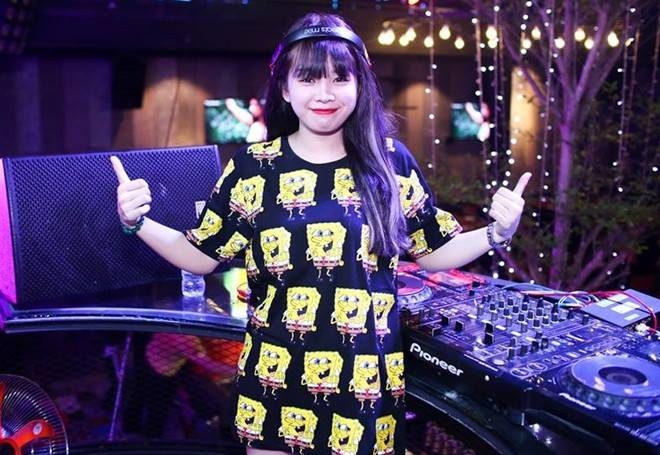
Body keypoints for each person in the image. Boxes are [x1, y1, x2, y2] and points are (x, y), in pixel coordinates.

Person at [110, 12, 531, 455]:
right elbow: (199, 255)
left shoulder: (390, 161)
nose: (325, 93)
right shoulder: (253, 167)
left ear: (360, 84)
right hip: (274, 380)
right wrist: (138, 222)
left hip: (363, 383)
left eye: (340, 78)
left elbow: (433, 250)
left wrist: (496, 233)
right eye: (309, 79)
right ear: (285, 88)